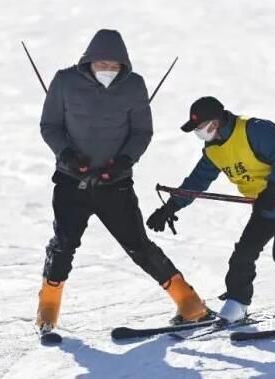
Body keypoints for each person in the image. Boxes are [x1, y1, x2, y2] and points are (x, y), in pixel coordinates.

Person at [36, 29, 211, 335]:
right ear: (88, 61)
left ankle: (190, 304)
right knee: (63, 246)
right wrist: (67, 157)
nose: (107, 70)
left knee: (138, 246)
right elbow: (50, 126)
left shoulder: (134, 86)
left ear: (124, 66)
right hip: (70, 183)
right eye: (102, 64)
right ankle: (47, 311)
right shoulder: (64, 81)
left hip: (114, 185)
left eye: (115, 66)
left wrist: (123, 163)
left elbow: (141, 132)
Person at [146, 96, 275, 323]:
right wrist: (171, 206)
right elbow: (198, 180)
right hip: (264, 206)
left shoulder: (254, 130)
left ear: (216, 121)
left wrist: (274, 189)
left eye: (202, 127)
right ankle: (237, 303)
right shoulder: (213, 150)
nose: (200, 133)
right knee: (243, 254)